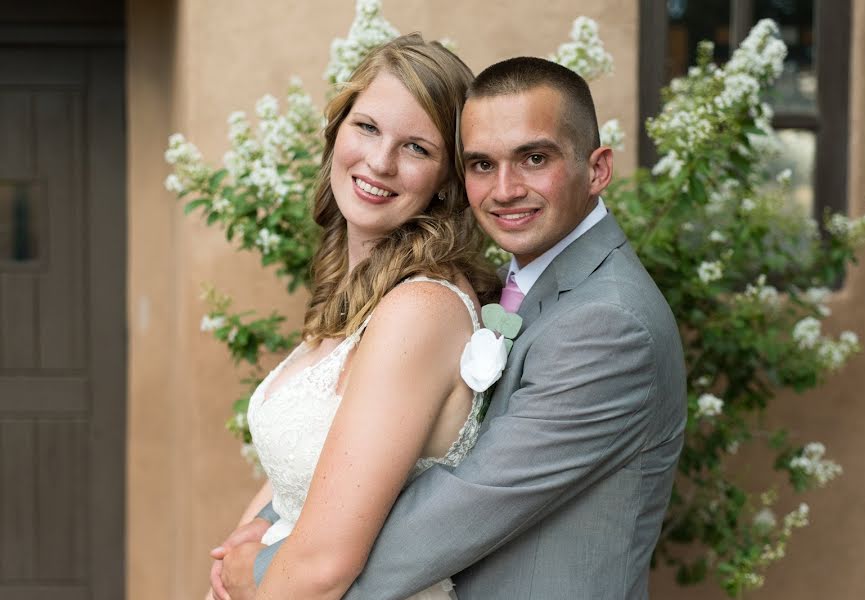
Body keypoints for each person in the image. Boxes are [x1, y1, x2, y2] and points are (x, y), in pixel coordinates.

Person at [222, 56, 687, 600]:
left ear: (598, 168)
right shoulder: (526, 283)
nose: (505, 188)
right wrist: (266, 530)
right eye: (482, 165)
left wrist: (259, 572)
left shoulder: (608, 324)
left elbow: (456, 510)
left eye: (534, 158)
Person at [207, 33, 499, 600]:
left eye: (417, 147)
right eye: (366, 128)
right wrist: (233, 558)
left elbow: (325, 568)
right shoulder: (359, 291)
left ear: (448, 180)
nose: (380, 162)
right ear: (337, 130)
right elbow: (300, 475)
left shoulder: (422, 309)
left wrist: (250, 577)